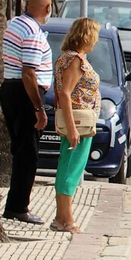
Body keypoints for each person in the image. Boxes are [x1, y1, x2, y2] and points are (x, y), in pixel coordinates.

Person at [0, 0, 54, 225]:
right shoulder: (33, 32)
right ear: (48, 8)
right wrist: (38, 109)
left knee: (21, 150)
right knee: (28, 154)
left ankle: (16, 204)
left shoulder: (15, 23)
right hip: (25, 93)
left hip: (10, 89)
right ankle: (17, 207)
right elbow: (29, 73)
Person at [51, 17, 101, 233]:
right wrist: (72, 128)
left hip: (77, 120)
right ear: (87, 36)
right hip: (79, 123)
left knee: (66, 166)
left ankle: (61, 217)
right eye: (95, 35)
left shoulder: (67, 57)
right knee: (72, 169)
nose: (96, 40)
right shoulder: (75, 61)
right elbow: (65, 93)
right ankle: (67, 219)